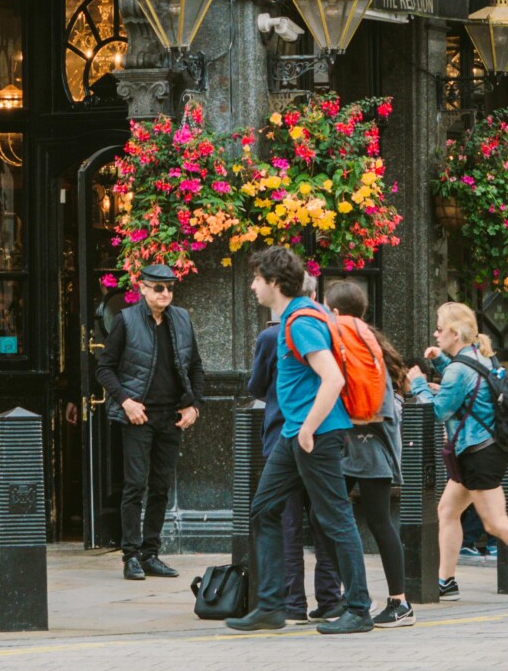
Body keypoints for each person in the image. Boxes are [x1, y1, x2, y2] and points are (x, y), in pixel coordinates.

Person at [228, 245, 372, 634]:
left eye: (257, 278)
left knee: (335, 518)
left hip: (315, 436)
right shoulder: (296, 318)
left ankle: (358, 609)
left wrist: (308, 428)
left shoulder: (301, 323)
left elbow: (333, 379)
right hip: (295, 435)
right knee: (264, 510)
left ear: (275, 282)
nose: (253, 286)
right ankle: (272, 606)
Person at [410, 299, 508, 609]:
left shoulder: (460, 368)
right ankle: (446, 580)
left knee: (495, 522)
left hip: (479, 454)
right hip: (481, 450)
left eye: (441, 330)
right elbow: (468, 383)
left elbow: (438, 410)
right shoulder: (478, 357)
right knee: (447, 511)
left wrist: (418, 382)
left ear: (455, 334)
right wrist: (442, 361)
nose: (436, 334)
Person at [95, 263, 207, 580]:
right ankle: (130, 555)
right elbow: (104, 369)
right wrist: (126, 402)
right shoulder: (126, 321)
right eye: (158, 287)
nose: (165, 293)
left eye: (170, 287)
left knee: (160, 488)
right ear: (142, 288)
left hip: (171, 416)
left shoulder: (182, 319)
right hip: (137, 417)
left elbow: (196, 367)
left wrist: (195, 407)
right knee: (134, 486)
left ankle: (150, 553)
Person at [326, 282, 416, 625]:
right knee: (347, 520)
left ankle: (396, 601)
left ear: (335, 312)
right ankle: (352, 596)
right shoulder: (370, 341)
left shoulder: (352, 344)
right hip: (367, 447)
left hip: (364, 448)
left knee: (375, 523)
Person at [247, 306, 341, 620]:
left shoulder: (271, 336)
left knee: (286, 525)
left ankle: (292, 603)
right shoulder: (327, 329)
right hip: (324, 435)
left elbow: (256, 386)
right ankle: (330, 599)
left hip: (282, 437)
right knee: (326, 522)